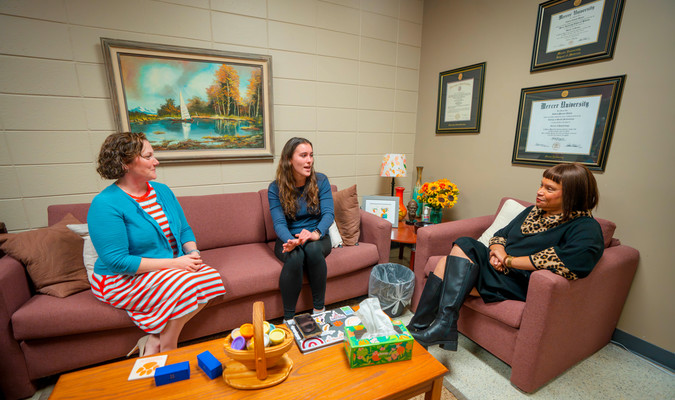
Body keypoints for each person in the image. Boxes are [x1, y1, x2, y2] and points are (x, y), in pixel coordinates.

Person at [408, 163, 604, 350]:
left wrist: (509, 260)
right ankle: (422, 326)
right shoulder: (533, 211)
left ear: (572, 195)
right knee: (464, 244)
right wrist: (498, 253)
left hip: (520, 280)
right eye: (541, 185)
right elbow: (500, 235)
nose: (540, 191)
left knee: (449, 263)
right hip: (500, 268)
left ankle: (436, 326)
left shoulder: (585, 227)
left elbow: (562, 261)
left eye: (549, 188)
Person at [88, 132, 226, 357]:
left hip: (168, 265)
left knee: (211, 278)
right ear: (126, 163)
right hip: (121, 277)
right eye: (149, 156)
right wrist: (175, 264)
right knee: (185, 284)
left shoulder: (162, 191)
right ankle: (168, 348)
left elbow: (184, 230)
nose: (156, 161)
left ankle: (155, 339)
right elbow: (117, 261)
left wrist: (193, 253)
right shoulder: (105, 204)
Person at [268, 137, 335, 321]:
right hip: (289, 236)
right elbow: (279, 223)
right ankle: (288, 319)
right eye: (303, 155)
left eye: (311, 155)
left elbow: (329, 214)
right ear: (289, 159)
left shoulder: (321, 181)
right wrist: (292, 241)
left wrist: (315, 234)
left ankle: (319, 311)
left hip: (317, 235)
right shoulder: (275, 188)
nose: (309, 160)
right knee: (295, 255)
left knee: (313, 250)